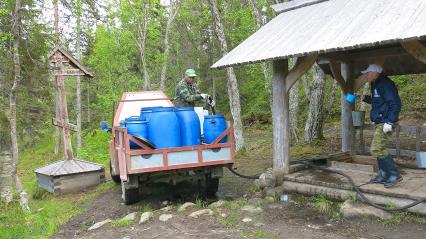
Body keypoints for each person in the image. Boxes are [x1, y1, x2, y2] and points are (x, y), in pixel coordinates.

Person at [361, 64, 402, 188]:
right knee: (379, 148)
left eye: (367, 73)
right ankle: (383, 175)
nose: (366, 75)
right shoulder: (376, 84)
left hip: (386, 122)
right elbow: (378, 101)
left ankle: (394, 174)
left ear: (374, 73)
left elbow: (395, 103)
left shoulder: (385, 84)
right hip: (380, 121)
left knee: (377, 148)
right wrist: (363, 98)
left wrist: (390, 121)